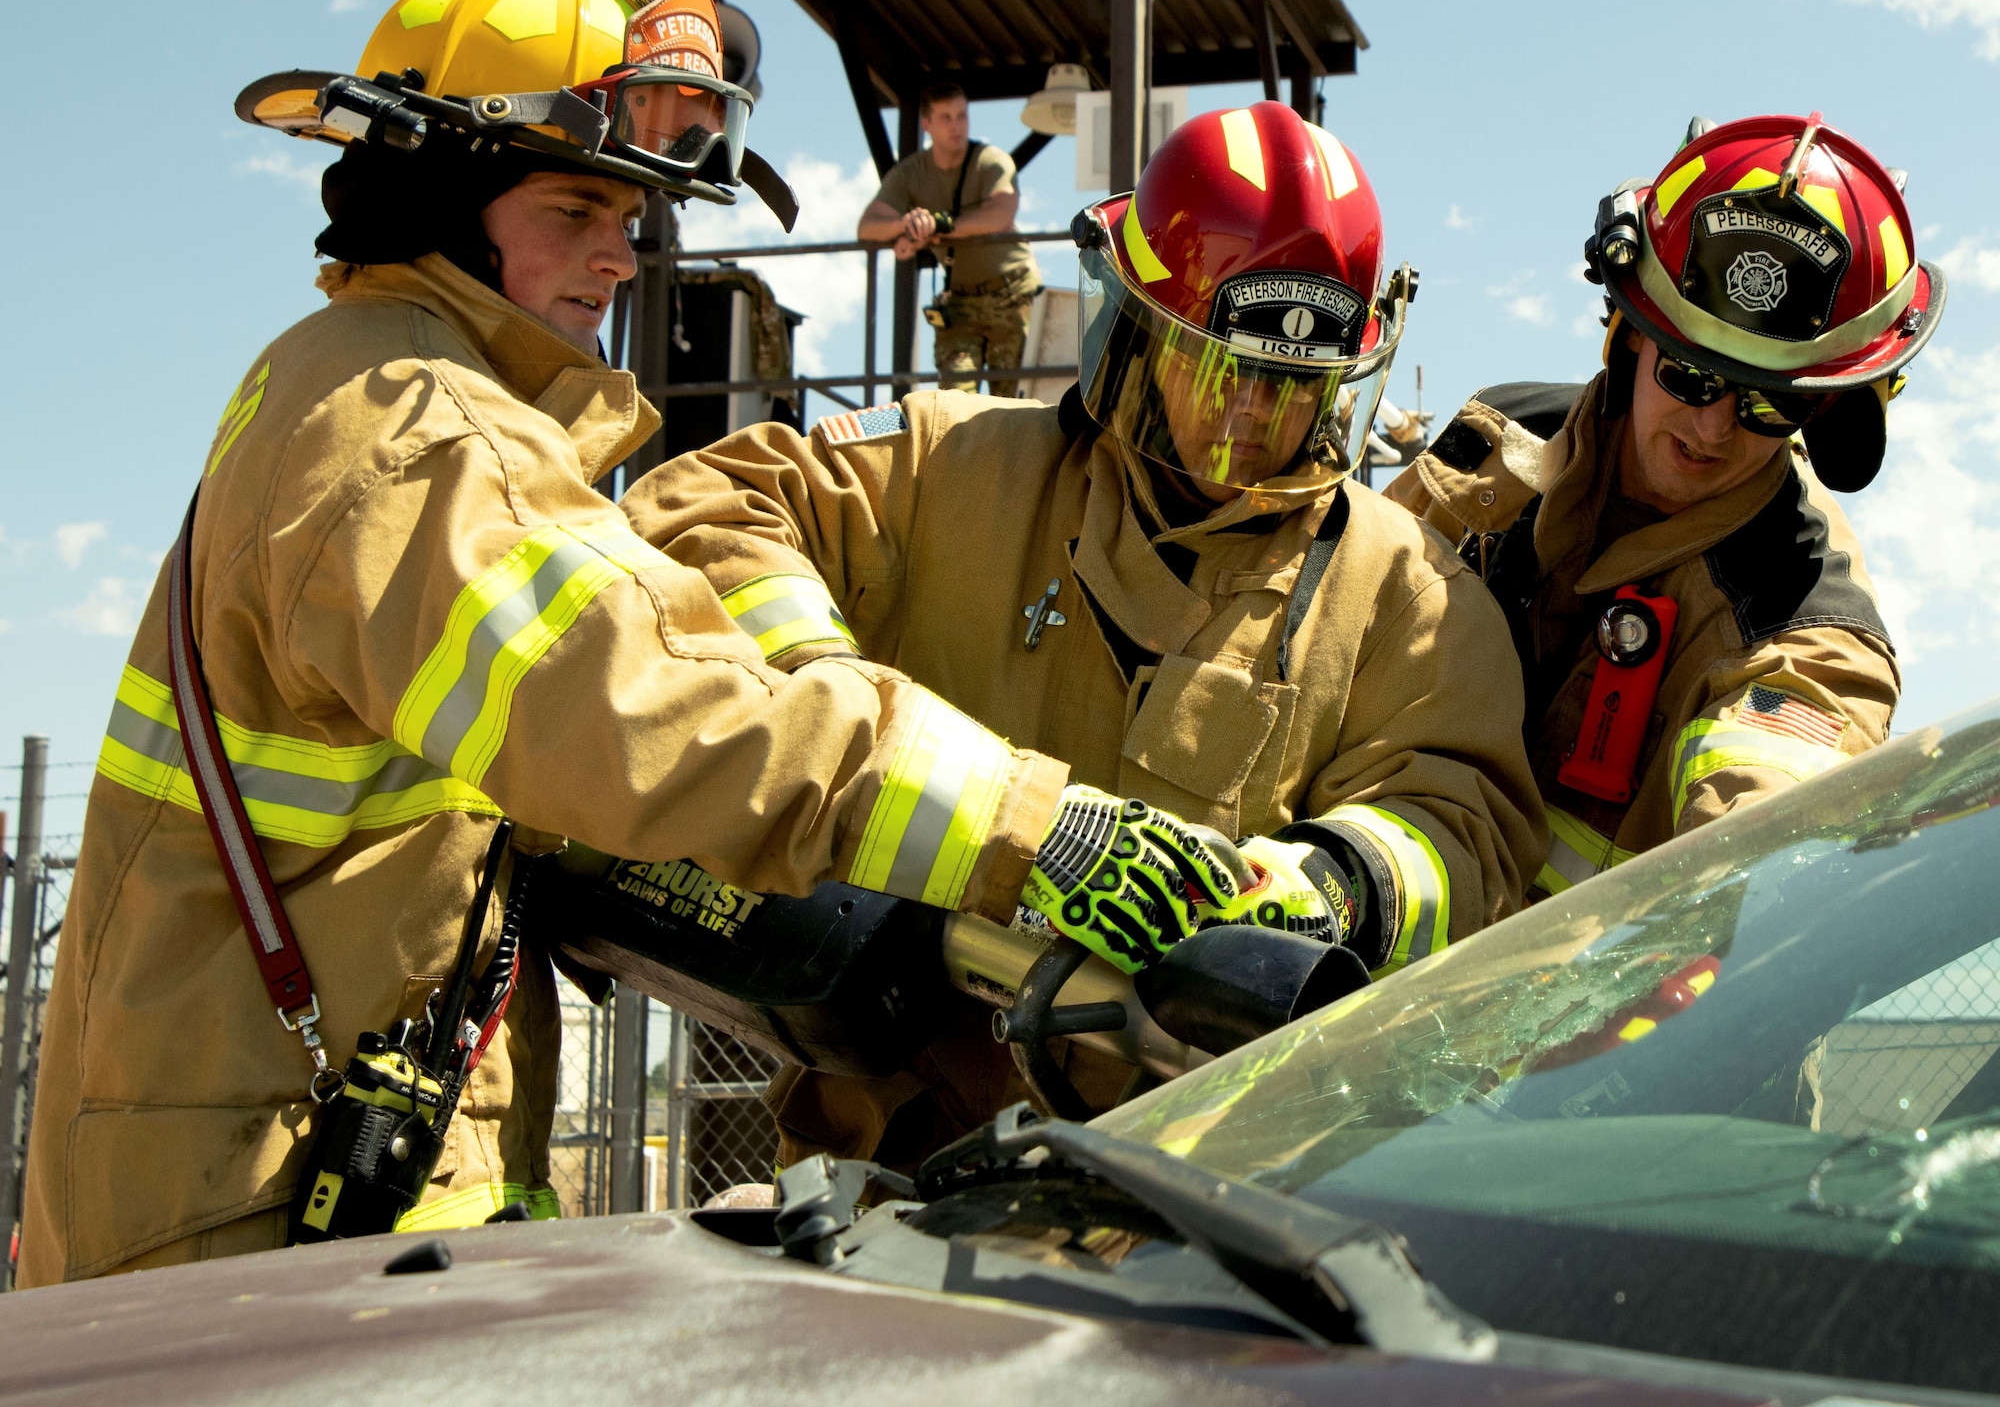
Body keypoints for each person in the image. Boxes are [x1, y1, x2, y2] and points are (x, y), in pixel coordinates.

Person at [18, 0, 1238, 1287]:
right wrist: (1036, 829)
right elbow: (660, 710)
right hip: (254, 1230)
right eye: (573, 209)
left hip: (260, 1173)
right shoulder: (423, 436)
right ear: (444, 193)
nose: (623, 252)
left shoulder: (355, 379)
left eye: (633, 213)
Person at [624, 102, 1547, 1171]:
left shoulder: (1406, 592)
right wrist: (844, 714)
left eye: (1294, 382)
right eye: (1221, 369)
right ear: (1140, 327)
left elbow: (1464, 830)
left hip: (1210, 1191)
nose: (1252, 412)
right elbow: (698, 513)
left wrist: (1331, 885)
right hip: (885, 1174)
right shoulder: (952, 469)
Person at [1387, 112, 1943, 897]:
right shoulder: (1491, 442)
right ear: (1628, 331)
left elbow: (1764, 840)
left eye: (1769, 403)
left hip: (1602, 1018)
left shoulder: (1810, 624)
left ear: (1828, 413)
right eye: (1690, 373)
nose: (1712, 425)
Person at [857, 82, 1040, 397]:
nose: (956, 125)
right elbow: (867, 227)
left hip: (1013, 294)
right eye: (945, 117)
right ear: (926, 124)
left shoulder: (990, 160)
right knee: (954, 401)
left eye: (961, 116)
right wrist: (907, 224)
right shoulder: (911, 173)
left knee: (1013, 405)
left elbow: (1000, 215)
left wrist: (935, 228)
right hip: (961, 303)